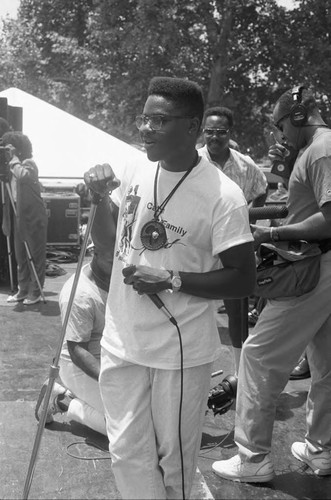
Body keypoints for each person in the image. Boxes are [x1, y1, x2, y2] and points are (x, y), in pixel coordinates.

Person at [84, 76, 256, 500]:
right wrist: (97, 199)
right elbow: (110, 243)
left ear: (192, 127)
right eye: (144, 119)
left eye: (159, 120)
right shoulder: (133, 168)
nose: (146, 128)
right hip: (122, 340)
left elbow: (244, 278)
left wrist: (173, 279)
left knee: (174, 460)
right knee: (125, 451)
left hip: (178, 353)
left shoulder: (223, 195)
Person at [212, 85, 331, 482]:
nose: (280, 135)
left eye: (281, 126)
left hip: (314, 268)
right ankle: (322, 449)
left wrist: (270, 235)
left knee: (258, 356)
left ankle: (252, 457)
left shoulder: (321, 149)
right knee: (324, 361)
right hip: (324, 268)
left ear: (297, 117)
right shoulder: (312, 150)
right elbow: (302, 204)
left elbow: (329, 220)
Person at [199, 106, 268, 376]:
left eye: (221, 132)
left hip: (231, 246)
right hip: (198, 244)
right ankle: (195, 371)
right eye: (209, 131)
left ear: (230, 133)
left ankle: (240, 375)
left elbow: (261, 189)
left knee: (236, 311)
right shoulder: (192, 159)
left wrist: (250, 221)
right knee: (195, 308)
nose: (214, 137)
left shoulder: (244, 164)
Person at [35, 240, 114, 436]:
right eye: (113, 258)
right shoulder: (80, 294)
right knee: (126, 431)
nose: (121, 264)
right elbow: (77, 351)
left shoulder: (119, 276)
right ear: (95, 252)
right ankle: (63, 399)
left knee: (152, 420)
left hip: (112, 356)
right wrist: (112, 380)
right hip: (80, 364)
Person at [2, 132, 47, 305]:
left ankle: (35, 292)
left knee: (35, 255)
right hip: (18, 213)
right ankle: (22, 289)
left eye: (9, 147)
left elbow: (24, 176)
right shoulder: (9, 166)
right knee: (20, 254)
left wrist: (13, 158)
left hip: (33, 215)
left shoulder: (28, 164)